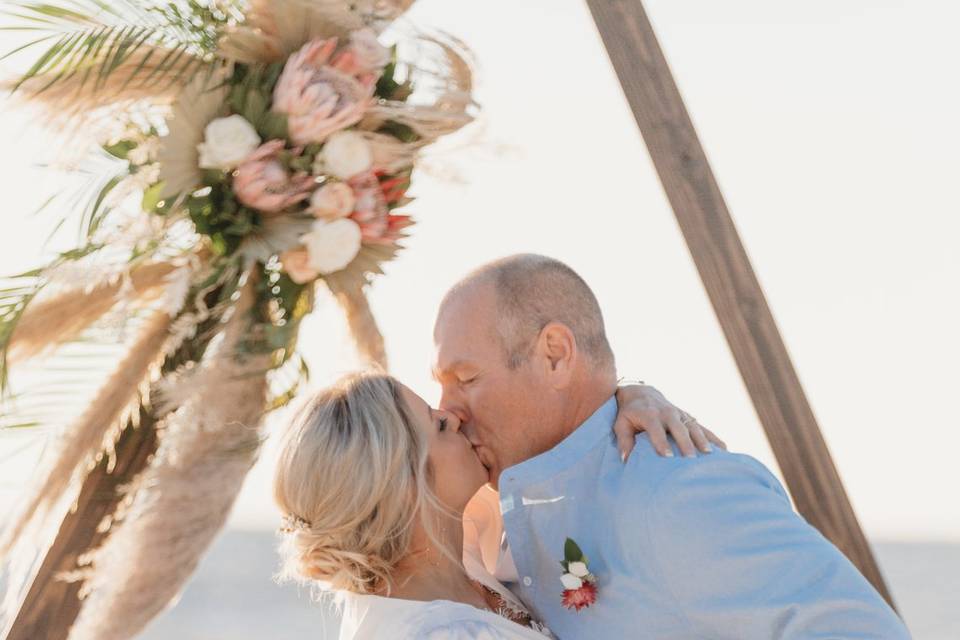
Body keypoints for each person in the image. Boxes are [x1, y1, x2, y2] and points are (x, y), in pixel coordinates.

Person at [432, 254, 911, 639]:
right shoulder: (487, 510)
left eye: (467, 379)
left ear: (555, 355)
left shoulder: (678, 489)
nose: (447, 409)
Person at [272, 372, 715, 638]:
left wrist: (631, 394)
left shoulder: (452, 551)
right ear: (402, 482)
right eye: (436, 423)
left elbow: (546, 422)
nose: (454, 415)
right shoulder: (432, 634)